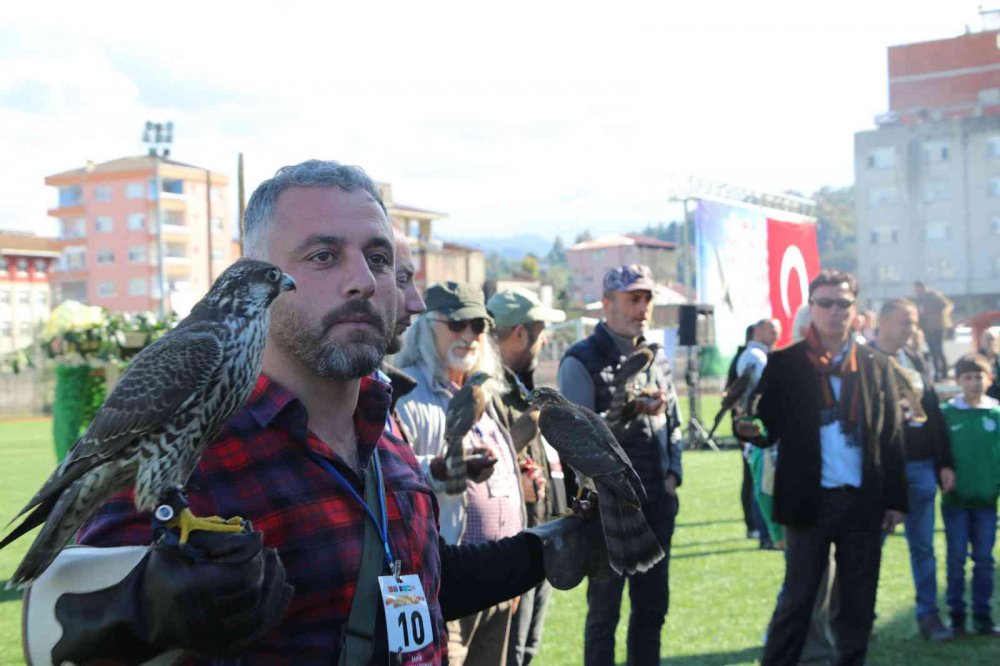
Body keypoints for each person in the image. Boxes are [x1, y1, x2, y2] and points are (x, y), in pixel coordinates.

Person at [37, 160, 599, 665]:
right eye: (323, 256)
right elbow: (65, 621)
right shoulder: (200, 436)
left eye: (379, 259)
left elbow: (410, 581)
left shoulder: (385, 429)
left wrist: (544, 548)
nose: (362, 280)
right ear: (258, 276)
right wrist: (143, 608)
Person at [737, 269, 906, 666]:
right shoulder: (786, 363)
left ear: (855, 309)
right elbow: (765, 424)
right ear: (811, 307)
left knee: (857, 605)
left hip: (862, 502)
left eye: (843, 303)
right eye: (825, 303)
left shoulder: (875, 363)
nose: (834, 311)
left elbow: (892, 435)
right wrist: (749, 429)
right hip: (807, 502)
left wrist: (896, 499)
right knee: (798, 601)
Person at [557, 264, 683, 666]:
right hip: (608, 513)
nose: (642, 307)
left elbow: (675, 425)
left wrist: (672, 476)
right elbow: (574, 443)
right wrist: (628, 412)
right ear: (607, 304)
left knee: (652, 611)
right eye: (633, 298)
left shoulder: (655, 356)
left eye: (647, 298)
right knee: (604, 615)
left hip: (657, 505)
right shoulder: (581, 360)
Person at [395, 282, 525, 666]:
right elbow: (396, 485)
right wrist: (445, 467)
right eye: (456, 324)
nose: (469, 335)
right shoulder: (406, 394)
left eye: (479, 326)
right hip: (442, 587)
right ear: (424, 326)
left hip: (500, 581)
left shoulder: (485, 394)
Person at [486, 286, 567, 666]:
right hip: (513, 541)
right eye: (539, 330)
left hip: (543, 535)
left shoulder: (524, 386)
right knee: (510, 652)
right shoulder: (487, 391)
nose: (544, 339)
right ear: (520, 333)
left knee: (528, 647)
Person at [872, 299, 955, 641]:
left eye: (914, 322)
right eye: (906, 322)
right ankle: (862, 616)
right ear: (884, 322)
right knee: (869, 548)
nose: (912, 329)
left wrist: (944, 461)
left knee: (923, 547)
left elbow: (932, 411)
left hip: (920, 465)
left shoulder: (915, 358)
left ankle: (929, 616)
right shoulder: (863, 360)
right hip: (878, 470)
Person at [939, 353, 1000, 637]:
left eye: (979, 377)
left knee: (985, 561)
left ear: (989, 379)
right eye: (968, 378)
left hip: (987, 501)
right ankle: (957, 616)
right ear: (958, 381)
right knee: (956, 560)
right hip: (956, 502)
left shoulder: (996, 413)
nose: (974, 383)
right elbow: (939, 453)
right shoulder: (947, 413)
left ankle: (983, 617)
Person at [737, 318, 783, 550]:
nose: (776, 334)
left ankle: (764, 531)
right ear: (757, 330)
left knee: (760, 481)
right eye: (771, 330)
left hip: (757, 428)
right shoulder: (756, 357)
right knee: (762, 483)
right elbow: (763, 393)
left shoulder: (759, 355)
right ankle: (765, 533)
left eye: (778, 330)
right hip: (758, 429)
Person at [728, 324, 760, 540]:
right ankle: (752, 525)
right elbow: (734, 397)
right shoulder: (746, 360)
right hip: (744, 424)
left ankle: (757, 524)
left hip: (750, 424)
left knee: (754, 475)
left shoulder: (747, 358)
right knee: (750, 476)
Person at [914, 281, 953, 380]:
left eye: (917, 288)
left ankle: (944, 372)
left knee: (938, 350)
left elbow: (947, 305)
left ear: (922, 287)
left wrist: (938, 316)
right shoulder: (920, 299)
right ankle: (937, 374)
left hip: (937, 327)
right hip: (927, 328)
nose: (916, 291)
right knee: (932, 352)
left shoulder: (932, 296)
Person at [977, 328, 1000, 401]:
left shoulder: (998, 359)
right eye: (988, 340)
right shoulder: (976, 360)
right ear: (982, 342)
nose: (991, 343)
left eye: (993, 339)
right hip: (983, 397)